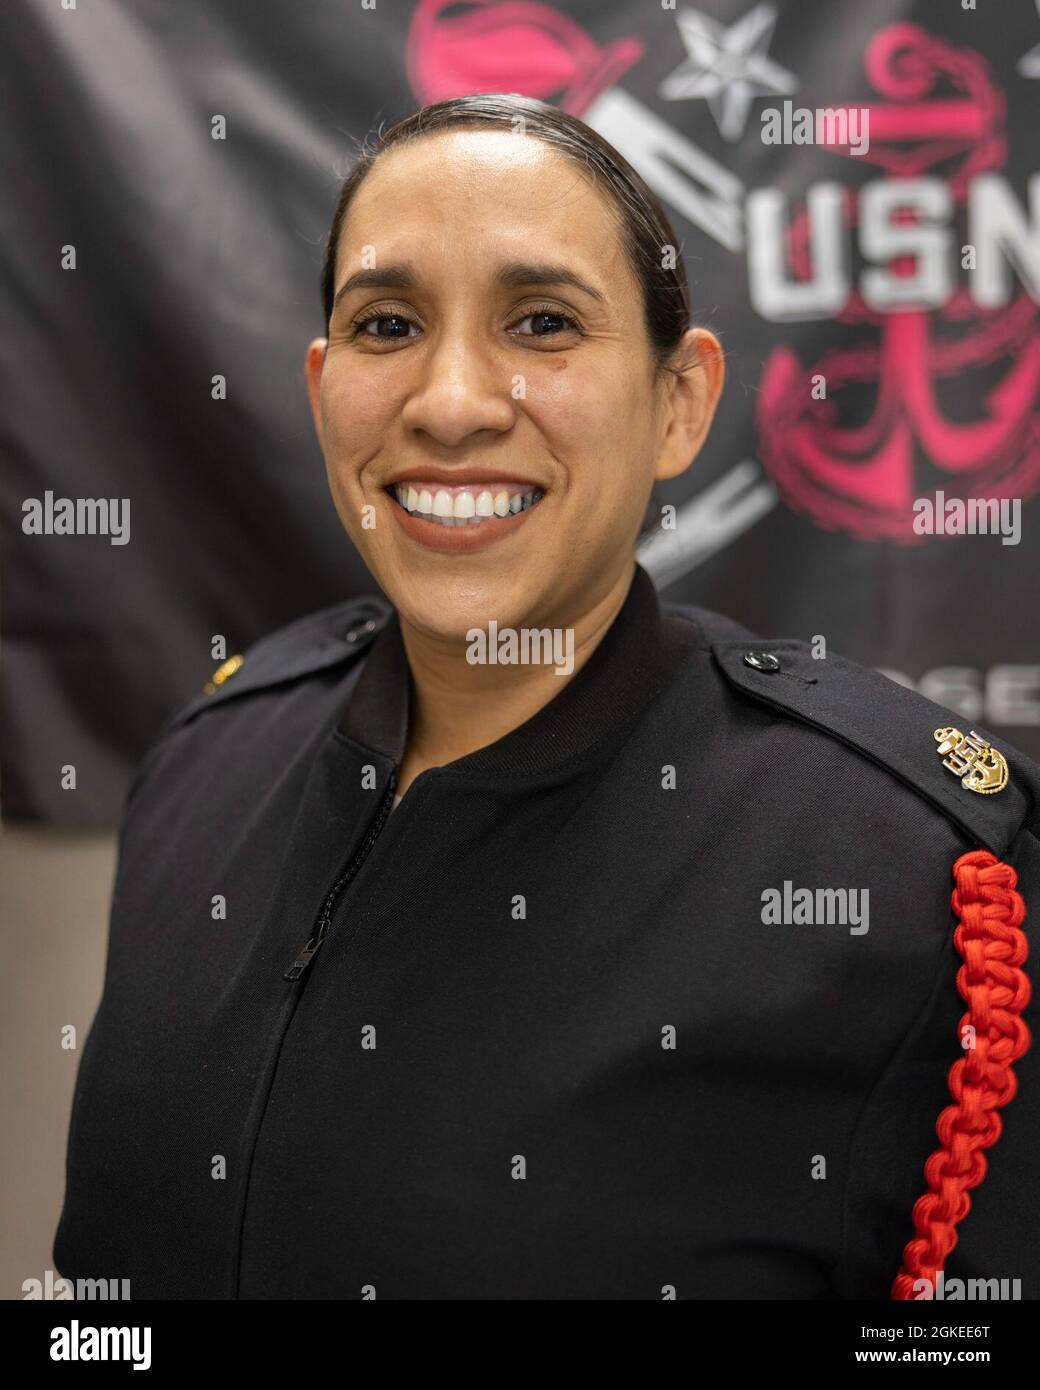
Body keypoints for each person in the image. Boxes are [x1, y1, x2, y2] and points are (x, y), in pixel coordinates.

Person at [54, 94, 1039, 1301]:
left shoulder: (900, 869)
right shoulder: (207, 764)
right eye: (387, 323)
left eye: (539, 320)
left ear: (678, 401)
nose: (452, 401)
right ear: (321, 388)